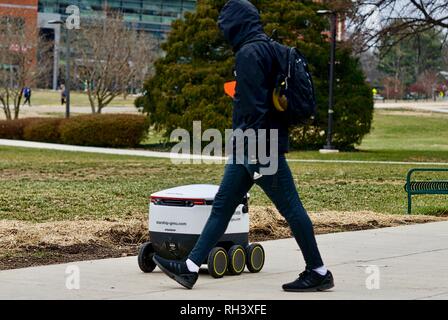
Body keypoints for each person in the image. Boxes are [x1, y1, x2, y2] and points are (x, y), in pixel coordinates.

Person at [152, 0, 334, 292]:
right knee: (223, 206)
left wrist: (251, 153)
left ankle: (318, 270)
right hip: (254, 144)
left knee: (291, 208)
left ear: (235, 24)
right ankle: (189, 268)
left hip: (258, 146)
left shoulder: (250, 53)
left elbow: (253, 108)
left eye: (225, 24)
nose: (223, 30)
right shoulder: (269, 48)